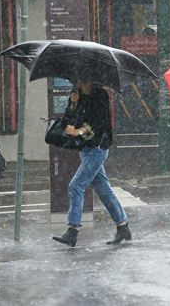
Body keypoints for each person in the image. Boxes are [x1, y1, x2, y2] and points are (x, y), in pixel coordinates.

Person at [52, 82, 131, 247]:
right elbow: (69, 120)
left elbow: (101, 124)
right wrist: (73, 105)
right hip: (84, 149)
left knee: (76, 185)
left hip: (98, 147)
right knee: (103, 189)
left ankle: (72, 231)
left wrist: (80, 131)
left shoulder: (100, 95)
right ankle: (123, 226)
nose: (77, 82)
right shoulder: (78, 94)